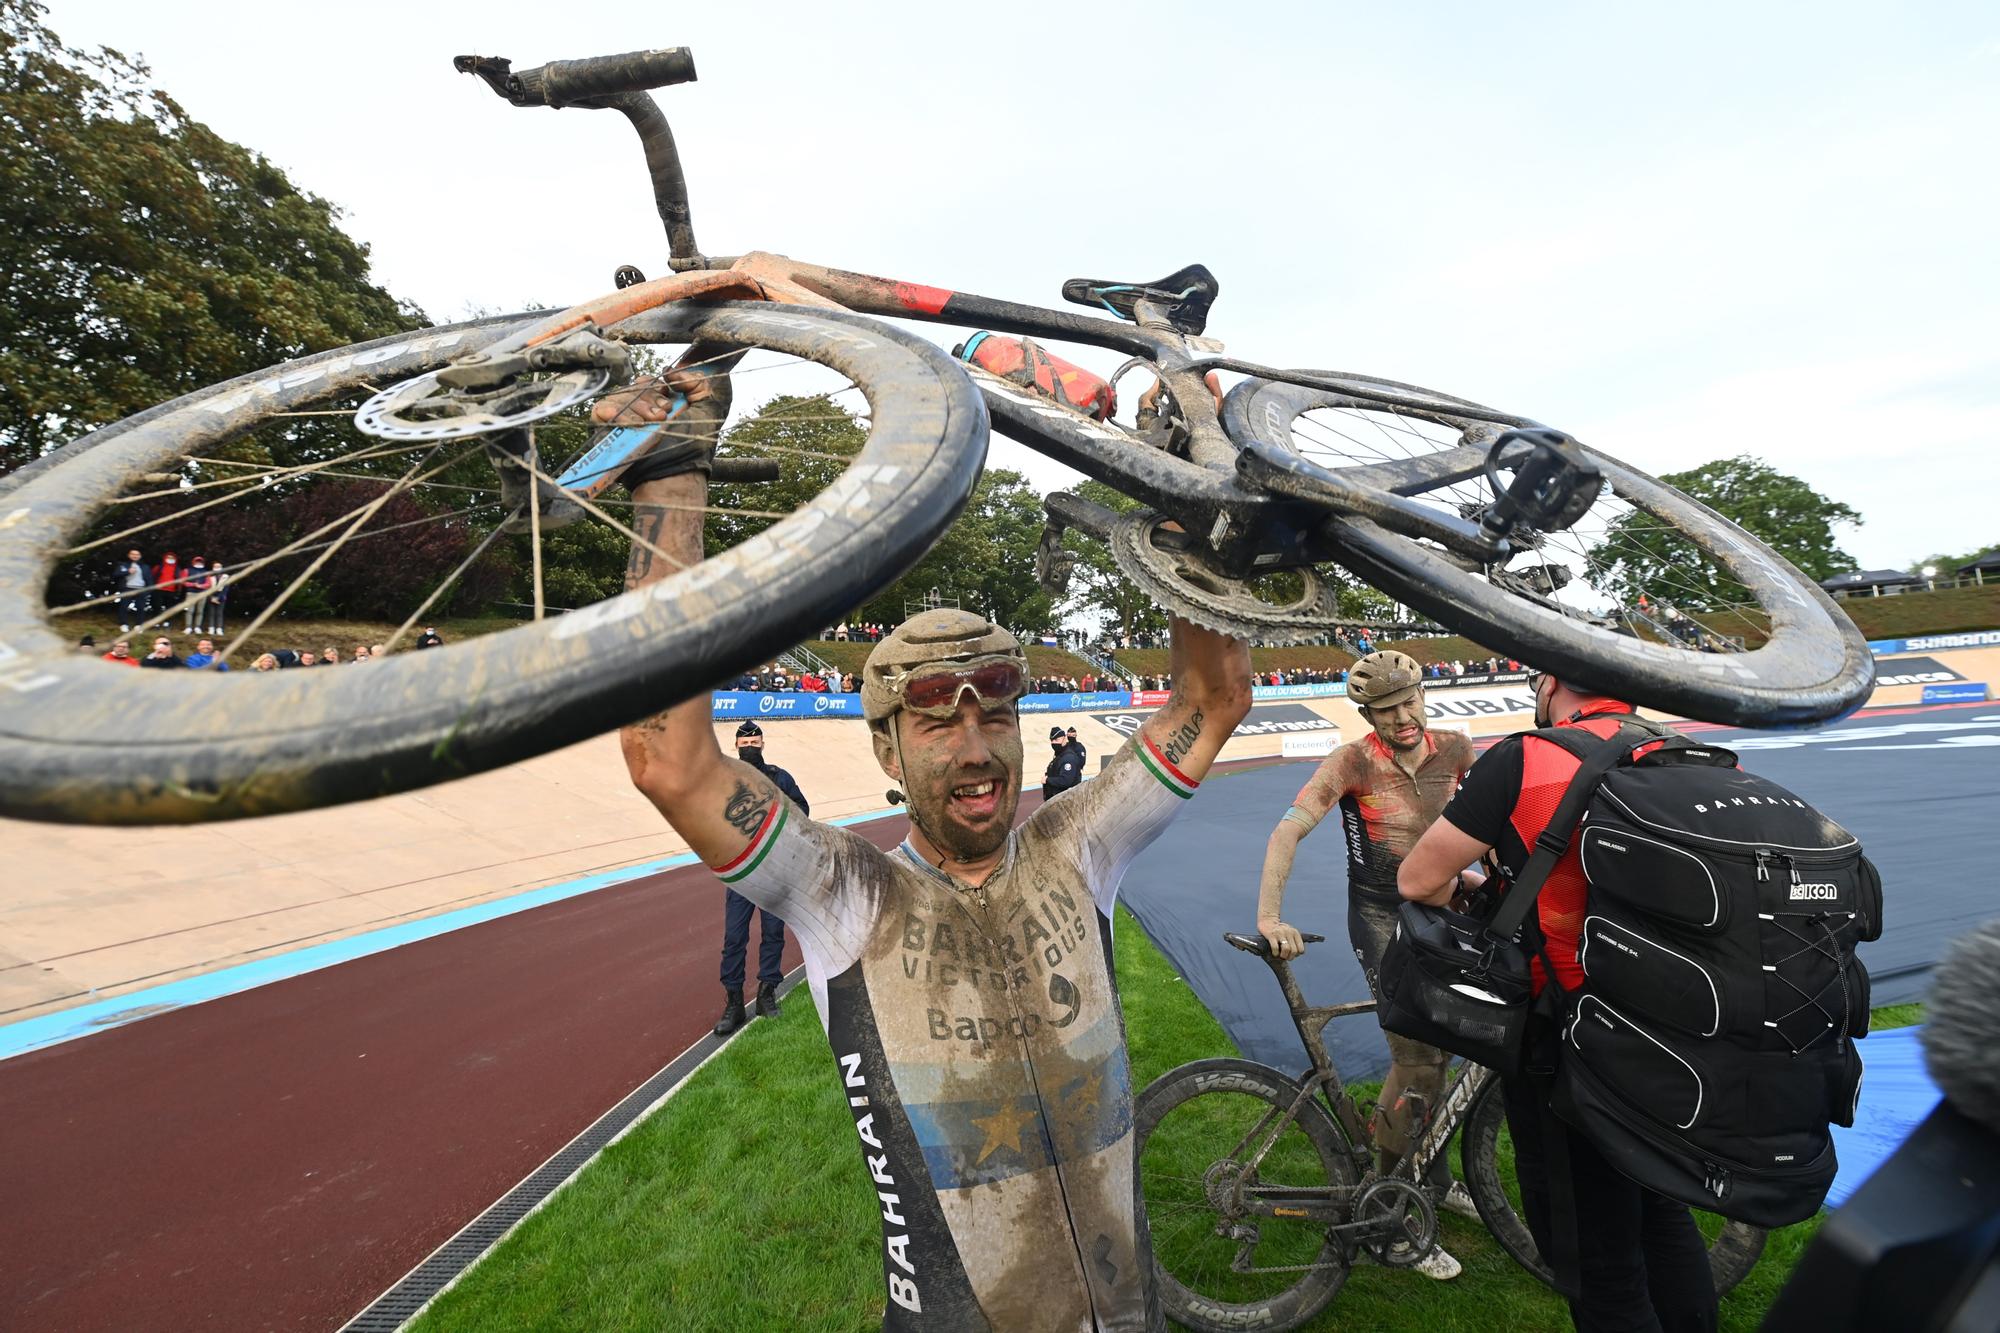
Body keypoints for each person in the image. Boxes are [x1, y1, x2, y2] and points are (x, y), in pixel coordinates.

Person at [603, 358, 1251, 1333]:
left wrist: (1182, 503)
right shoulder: (845, 896)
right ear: (886, 746)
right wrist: (670, 481)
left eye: (996, 710)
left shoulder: (1076, 846)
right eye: (936, 719)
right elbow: (666, 756)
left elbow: (1213, 697)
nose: (977, 744)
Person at [1397, 671, 1718, 1333]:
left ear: (1553, 682)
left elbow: (1418, 878)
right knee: (1662, 1212)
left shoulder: (1526, 755)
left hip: (1569, 1038)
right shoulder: (1677, 749)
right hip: (1669, 1032)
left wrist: (1482, 885)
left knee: (1599, 1262)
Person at [1254, 649, 1478, 1280]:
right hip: (1383, 919)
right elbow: (1287, 831)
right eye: (1385, 709)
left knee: (1450, 1049)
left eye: (1408, 702)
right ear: (1367, 713)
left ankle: (1433, 1176)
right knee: (1415, 1061)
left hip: (1448, 911)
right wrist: (1271, 917)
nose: (1401, 717)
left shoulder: (1457, 749)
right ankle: (1389, 1202)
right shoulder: (1354, 760)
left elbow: (1503, 818)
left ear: (1424, 696)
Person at [712, 720, 810, 1036]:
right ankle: (734, 1002)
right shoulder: (722, 781)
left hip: (775, 869)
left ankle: (767, 994)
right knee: (734, 937)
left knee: (773, 932)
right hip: (741, 872)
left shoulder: (781, 778)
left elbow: (803, 811)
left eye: (756, 744)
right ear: (736, 747)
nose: (751, 748)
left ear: (763, 745)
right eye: (745, 745)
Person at [1042, 725, 1085, 798]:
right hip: (1057, 799)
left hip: (1065, 801)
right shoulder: (1060, 754)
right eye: (1052, 741)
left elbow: (1066, 780)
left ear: (1064, 738)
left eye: (1056, 740)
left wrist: (1048, 780)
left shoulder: (1069, 758)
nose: (1054, 743)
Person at [115, 549, 149, 631]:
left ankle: (139, 625)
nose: (135, 556)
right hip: (127, 588)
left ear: (140, 556)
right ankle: (123, 624)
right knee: (124, 606)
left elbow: (149, 579)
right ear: (129, 555)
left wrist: (148, 590)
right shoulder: (123, 565)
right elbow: (116, 575)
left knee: (141, 607)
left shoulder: (145, 566)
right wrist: (127, 572)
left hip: (141, 589)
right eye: (133, 554)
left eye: (137, 554)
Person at [183, 557, 213, 634]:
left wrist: (201, 586)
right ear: (193, 562)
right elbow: (183, 581)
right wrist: (193, 584)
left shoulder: (206, 572)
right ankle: (188, 627)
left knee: (200, 611)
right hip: (191, 593)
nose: (198, 563)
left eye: (200, 562)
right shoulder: (187, 570)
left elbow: (208, 583)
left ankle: (197, 627)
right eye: (197, 562)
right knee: (190, 610)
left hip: (202, 593)